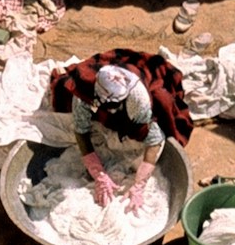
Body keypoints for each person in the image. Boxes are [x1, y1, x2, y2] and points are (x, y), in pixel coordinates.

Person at [49, 49, 193, 212]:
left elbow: (154, 140)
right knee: (64, 95)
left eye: (115, 105)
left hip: (132, 90)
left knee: (163, 102)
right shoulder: (89, 96)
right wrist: (98, 172)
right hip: (98, 100)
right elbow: (81, 130)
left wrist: (139, 184)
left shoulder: (137, 99)